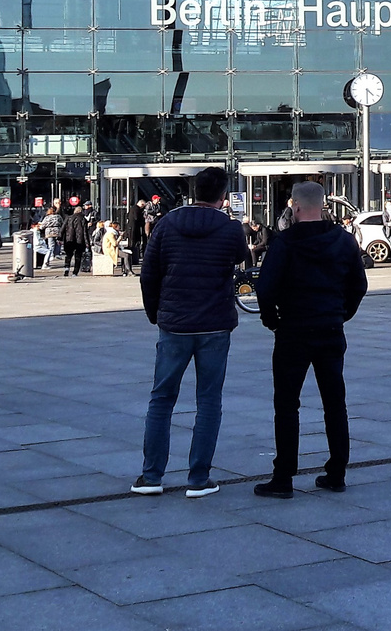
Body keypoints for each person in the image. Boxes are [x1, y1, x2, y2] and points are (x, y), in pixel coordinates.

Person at [132, 167, 250, 498]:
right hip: (215, 325)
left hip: (175, 325)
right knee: (208, 400)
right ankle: (198, 477)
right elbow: (242, 260)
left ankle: (151, 475)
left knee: (161, 399)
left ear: (194, 191)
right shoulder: (230, 229)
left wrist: (155, 313)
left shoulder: (166, 225)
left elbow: (148, 274)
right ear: (223, 197)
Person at [253, 181, 369, 499]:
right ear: (323, 206)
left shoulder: (284, 242)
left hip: (293, 330)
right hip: (330, 329)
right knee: (335, 404)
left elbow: (265, 288)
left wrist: (271, 319)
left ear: (295, 206)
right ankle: (336, 473)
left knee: (287, 405)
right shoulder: (343, 241)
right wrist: (342, 314)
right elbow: (359, 284)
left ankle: (283, 477)